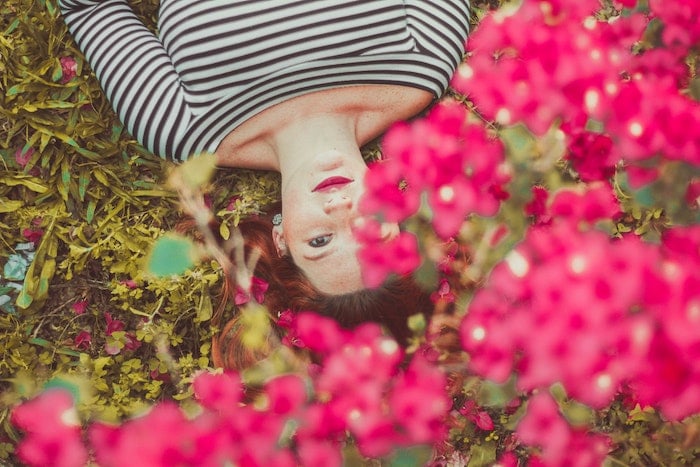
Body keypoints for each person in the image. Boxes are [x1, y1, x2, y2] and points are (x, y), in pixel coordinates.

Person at [58, 0, 471, 369]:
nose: (342, 209)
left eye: (321, 242)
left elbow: (89, 8)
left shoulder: (182, 130)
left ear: (281, 239)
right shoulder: (422, 64)